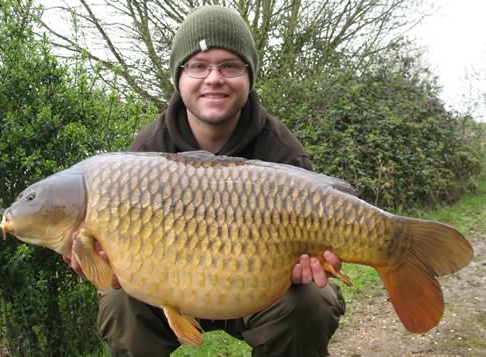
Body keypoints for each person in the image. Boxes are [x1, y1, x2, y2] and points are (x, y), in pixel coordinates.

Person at [68, 5, 346, 356]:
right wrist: (103, 263)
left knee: (312, 301)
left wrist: (315, 262)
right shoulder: (147, 152)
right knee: (120, 304)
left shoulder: (282, 151)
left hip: (257, 289)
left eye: (229, 65)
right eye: (198, 66)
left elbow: (324, 244)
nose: (214, 78)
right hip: (167, 287)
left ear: (248, 76)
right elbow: (110, 264)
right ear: (179, 77)